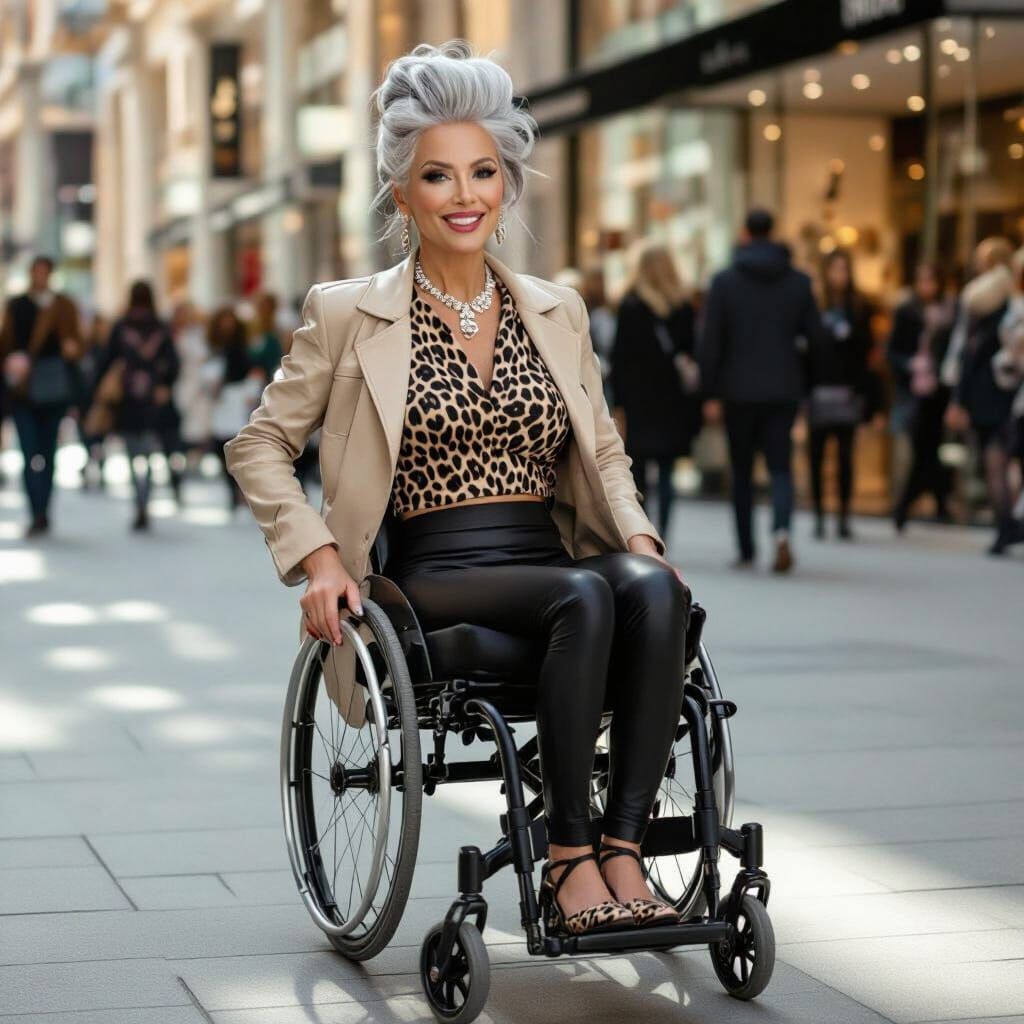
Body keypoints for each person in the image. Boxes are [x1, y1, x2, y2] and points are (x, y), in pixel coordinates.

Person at [226, 40, 692, 938]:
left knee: (649, 589)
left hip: (544, 552)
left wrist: (638, 540)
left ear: (508, 183)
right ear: (403, 191)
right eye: (439, 176)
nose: (466, 194)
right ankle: (567, 861)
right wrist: (318, 557)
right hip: (429, 569)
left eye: (484, 172)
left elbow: (599, 450)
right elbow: (258, 446)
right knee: (584, 599)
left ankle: (623, 851)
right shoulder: (346, 312)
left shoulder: (556, 309)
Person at [697, 209, 821, 572]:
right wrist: (808, 383)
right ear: (773, 232)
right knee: (781, 465)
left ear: (745, 234)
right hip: (784, 387)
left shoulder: (725, 281)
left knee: (742, 469)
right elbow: (816, 338)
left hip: (737, 390)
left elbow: (711, 342)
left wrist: (709, 392)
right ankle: (781, 532)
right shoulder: (799, 281)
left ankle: (747, 546)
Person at [611, 242, 700, 541]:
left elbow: (620, 359)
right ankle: (665, 531)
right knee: (667, 470)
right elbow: (691, 353)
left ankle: (644, 530)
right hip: (672, 399)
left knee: (638, 470)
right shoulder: (683, 306)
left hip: (639, 399)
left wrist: (619, 403)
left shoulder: (630, 305)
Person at [943, 237, 1017, 555]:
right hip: (1012, 390)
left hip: (989, 391)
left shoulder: (980, 299)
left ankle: (1005, 527)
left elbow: (968, 354)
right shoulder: (1014, 300)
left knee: (994, 458)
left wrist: (958, 398)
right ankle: (1009, 524)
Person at [0, 255, 83, 537]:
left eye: (44, 272)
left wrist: (72, 348)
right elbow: (5, 343)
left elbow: (78, 345)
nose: (40, 276)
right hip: (24, 389)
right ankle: (35, 511)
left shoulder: (64, 305)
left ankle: (44, 511)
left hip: (54, 388)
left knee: (48, 454)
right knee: (28, 453)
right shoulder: (17, 305)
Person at [88, 280, 179, 531]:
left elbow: (104, 360)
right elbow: (173, 363)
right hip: (151, 398)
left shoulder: (121, 326)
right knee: (148, 452)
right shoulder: (159, 327)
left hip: (126, 399)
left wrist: (96, 391)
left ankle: (139, 500)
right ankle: (145, 499)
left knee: (132, 454)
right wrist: (164, 383)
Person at [805, 249, 873, 540]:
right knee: (816, 456)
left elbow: (866, 350)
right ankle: (819, 514)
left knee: (845, 456)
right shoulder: (813, 305)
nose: (839, 276)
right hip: (819, 389)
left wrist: (862, 390)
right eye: (834, 269)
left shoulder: (858, 306)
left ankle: (844, 514)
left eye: (843, 270)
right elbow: (805, 349)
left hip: (846, 389)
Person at [888, 263, 956, 530]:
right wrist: (910, 364)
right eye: (922, 280)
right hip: (915, 391)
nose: (927, 285)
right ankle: (911, 504)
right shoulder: (907, 311)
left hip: (940, 391)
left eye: (931, 280)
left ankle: (919, 503)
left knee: (933, 448)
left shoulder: (951, 310)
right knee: (923, 449)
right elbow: (893, 352)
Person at [204, 306, 259, 512]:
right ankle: (231, 491)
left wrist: (251, 394)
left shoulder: (242, 348)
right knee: (221, 446)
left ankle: (239, 490)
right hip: (221, 402)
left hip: (237, 399)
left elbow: (252, 369)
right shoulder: (214, 348)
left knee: (237, 446)